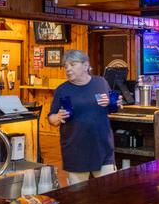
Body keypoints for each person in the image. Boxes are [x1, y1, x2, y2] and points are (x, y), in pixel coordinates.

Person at [48, 49, 122, 185]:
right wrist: (57, 117)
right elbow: (51, 118)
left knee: (109, 194)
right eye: (66, 66)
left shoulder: (101, 83)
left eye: (72, 64)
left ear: (86, 65)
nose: (68, 69)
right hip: (76, 151)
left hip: (102, 149)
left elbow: (110, 106)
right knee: (79, 200)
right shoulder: (62, 90)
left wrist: (115, 103)